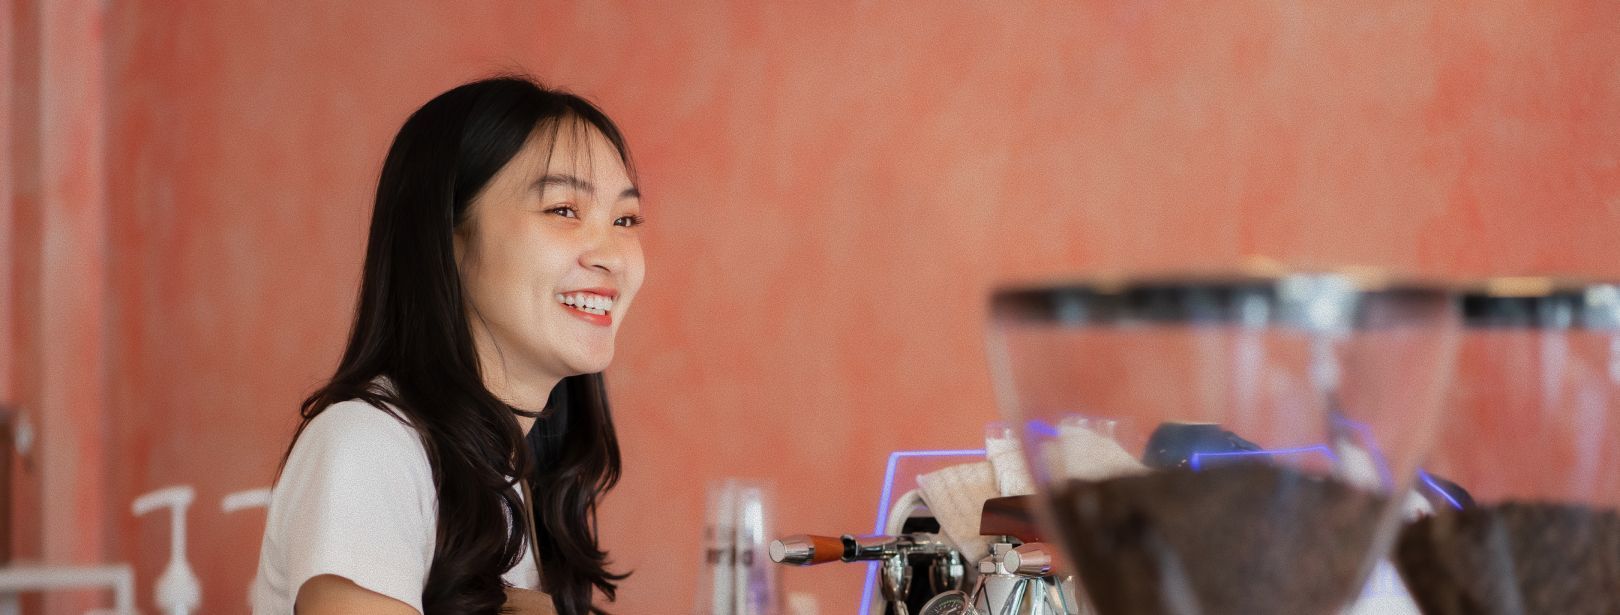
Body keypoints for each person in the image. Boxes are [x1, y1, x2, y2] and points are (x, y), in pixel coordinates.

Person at [250, 75, 645, 615]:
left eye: (625, 219)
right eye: (562, 210)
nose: (613, 256)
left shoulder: (512, 472)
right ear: (448, 236)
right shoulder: (369, 445)